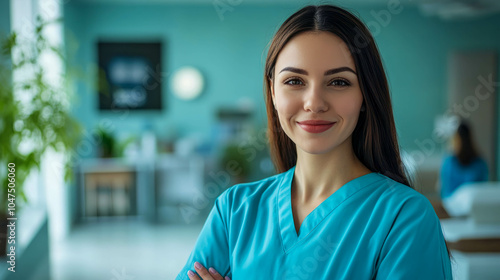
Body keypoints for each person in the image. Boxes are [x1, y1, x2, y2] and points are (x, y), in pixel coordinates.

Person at [177, 5, 453, 280]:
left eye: (339, 82)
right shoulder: (235, 210)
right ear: (273, 92)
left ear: (365, 96)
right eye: (295, 81)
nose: (314, 103)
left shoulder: (404, 217)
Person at [440, 120, 489, 199]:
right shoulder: (449, 162)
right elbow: (445, 193)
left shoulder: (479, 164)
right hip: (451, 207)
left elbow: (482, 192)